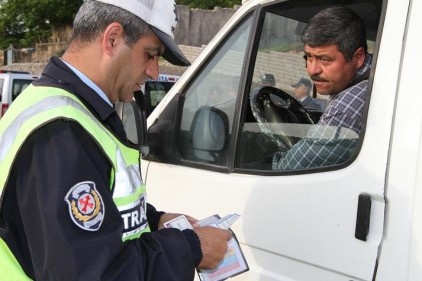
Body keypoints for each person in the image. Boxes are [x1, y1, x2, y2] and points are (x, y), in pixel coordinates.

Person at [0, 1, 231, 280]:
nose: (154, 72)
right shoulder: (60, 134)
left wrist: (153, 220)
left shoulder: (69, 110)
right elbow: (93, 273)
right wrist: (191, 248)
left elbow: (92, 216)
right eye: (150, 55)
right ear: (112, 39)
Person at [273, 6, 372, 170]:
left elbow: (287, 169)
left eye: (325, 59)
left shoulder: (344, 110)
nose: (312, 70)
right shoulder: (375, 72)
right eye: (309, 57)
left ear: (358, 57)